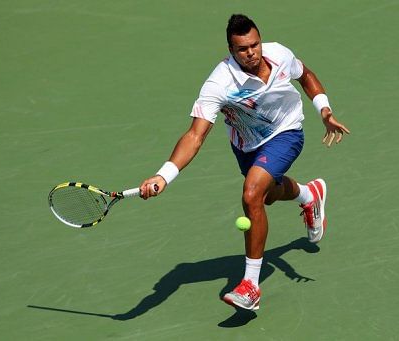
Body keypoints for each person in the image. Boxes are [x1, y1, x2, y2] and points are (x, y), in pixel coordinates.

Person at [139, 14, 350, 311]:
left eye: (255, 45)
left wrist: (325, 112)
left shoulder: (278, 54)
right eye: (242, 49)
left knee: (251, 193)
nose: (251, 53)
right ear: (230, 50)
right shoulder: (220, 83)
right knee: (267, 195)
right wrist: (164, 175)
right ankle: (308, 194)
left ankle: (250, 285)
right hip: (246, 146)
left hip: (286, 132)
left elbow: (306, 75)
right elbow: (195, 135)